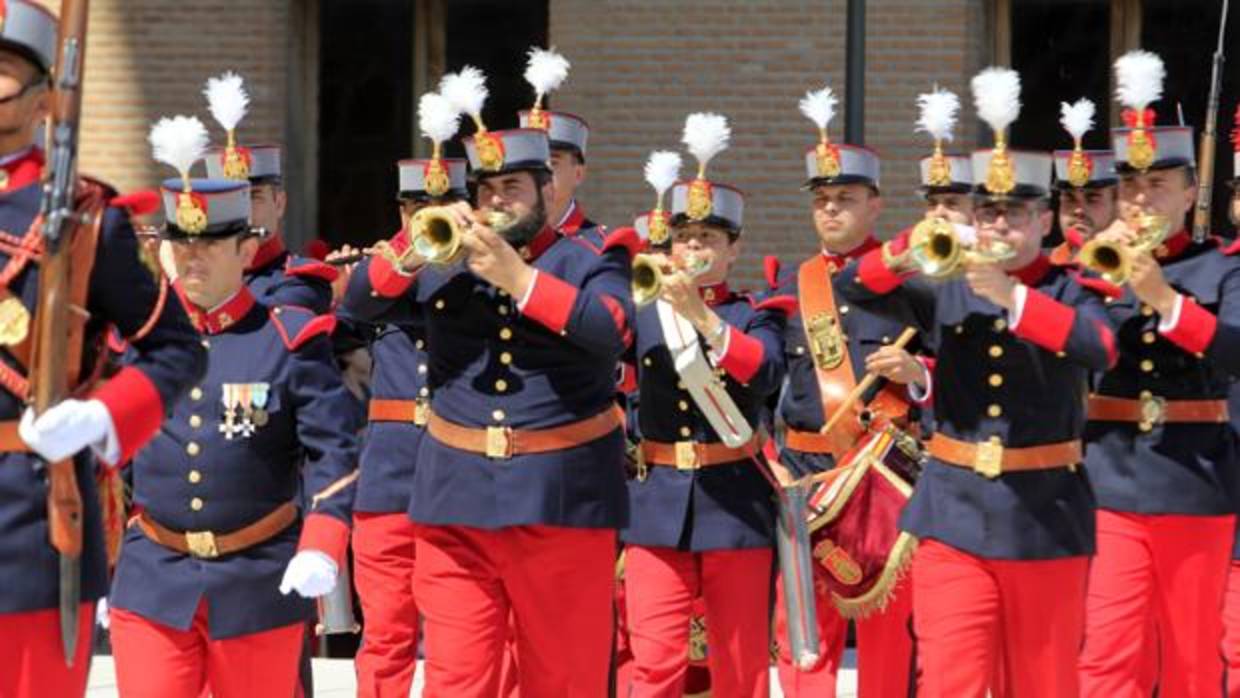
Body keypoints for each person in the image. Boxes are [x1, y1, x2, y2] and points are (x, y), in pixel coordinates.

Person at [341, 66, 636, 697]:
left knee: (564, 679)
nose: (500, 201)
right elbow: (359, 304)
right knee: (458, 681)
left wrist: (518, 280)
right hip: (454, 499)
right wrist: (414, 246)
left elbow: (610, 329)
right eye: (488, 189)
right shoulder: (448, 261)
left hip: (561, 502)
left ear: (546, 186)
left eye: (514, 187)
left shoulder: (593, 257)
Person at [839, 67, 1116, 697]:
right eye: (987, 213)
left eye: (1014, 215)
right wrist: (915, 241)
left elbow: (1099, 346)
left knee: (1043, 683)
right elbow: (853, 288)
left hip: (1045, 515)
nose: (998, 227)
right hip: (952, 511)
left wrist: (1016, 300)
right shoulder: (948, 285)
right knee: (949, 681)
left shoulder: (1074, 288)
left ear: (1045, 221)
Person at [106, 117, 358, 698]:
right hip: (153, 578)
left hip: (256, 579)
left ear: (247, 248)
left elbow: (334, 448)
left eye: (210, 243)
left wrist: (322, 539)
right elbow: (108, 457)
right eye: (182, 243)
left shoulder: (289, 338)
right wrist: (95, 561)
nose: (192, 258)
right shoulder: (142, 342)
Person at [0, 6, 207, 696]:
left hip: (28, 523)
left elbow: (177, 349)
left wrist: (100, 417)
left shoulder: (92, 219)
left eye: (1, 74)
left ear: (43, 99)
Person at [1078, 50, 1240, 698]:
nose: (1144, 199)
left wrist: (1166, 302)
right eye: (1133, 187)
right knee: (1108, 654)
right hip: (1110, 478)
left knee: (1192, 658)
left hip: (1195, 480)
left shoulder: (1221, 268)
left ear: (1191, 192)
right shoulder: (1092, 268)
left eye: (1159, 186)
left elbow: (1234, 352)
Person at [770, 85, 932, 698]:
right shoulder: (789, 285)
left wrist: (917, 377)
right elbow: (766, 388)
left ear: (875, 205)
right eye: (823, 200)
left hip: (878, 478)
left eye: (846, 199)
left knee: (889, 638)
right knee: (803, 633)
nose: (832, 210)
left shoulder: (910, 286)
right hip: (804, 473)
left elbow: (958, 370)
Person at [622, 112, 789, 698]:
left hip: (734, 502)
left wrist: (701, 316)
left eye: (709, 240)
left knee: (740, 668)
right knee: (655, 663)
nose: (694, 249)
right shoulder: (642, 310)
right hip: (656, 501)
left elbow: (764, 371)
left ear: (733, 249)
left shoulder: (756, 313)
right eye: (685, 239)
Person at [343, 92, 469, 698]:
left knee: (457, 641)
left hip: (457, 474)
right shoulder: (386, 266)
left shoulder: (487, 274)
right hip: (390, 475)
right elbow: (356, 304)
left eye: (443, 206)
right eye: (418, 206)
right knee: (386, 634)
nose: (430, 215)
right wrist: (414, 248)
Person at [202, 71, 336, 312]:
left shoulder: (302, 281)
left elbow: (254, 327)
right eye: (227, 199)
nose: (241, 209)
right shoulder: (193, 279)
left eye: (254, 196)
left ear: (279, 203)